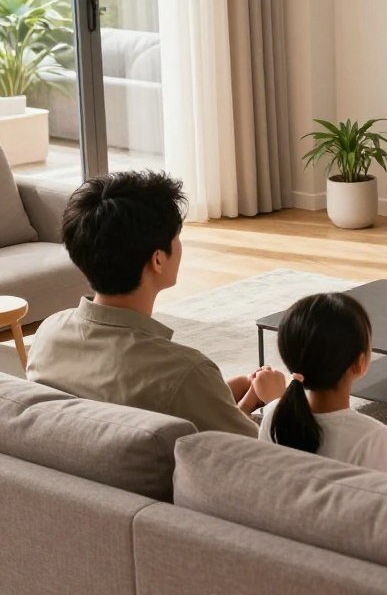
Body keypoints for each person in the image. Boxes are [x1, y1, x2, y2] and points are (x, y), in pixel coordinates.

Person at [27, 171, 259, 436]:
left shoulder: (48, 335)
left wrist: (222, 395)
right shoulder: (186, 372)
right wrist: (258, 402)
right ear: (158, 259)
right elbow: (253, 455)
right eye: (177, 236)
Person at [251, 293, 387, 480]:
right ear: (360, 363)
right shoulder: (371, 435)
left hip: (298, 504)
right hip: (349, 507)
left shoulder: (274, 414)